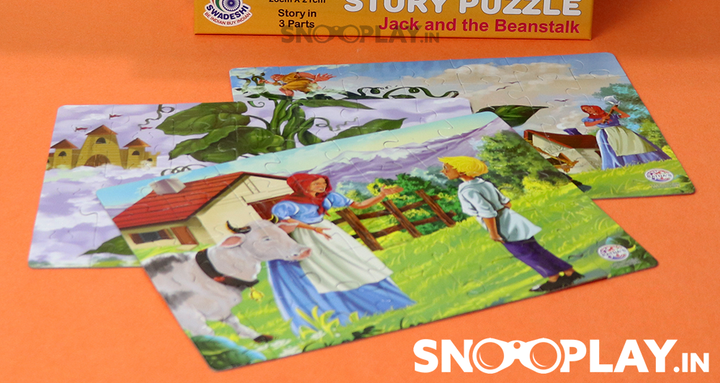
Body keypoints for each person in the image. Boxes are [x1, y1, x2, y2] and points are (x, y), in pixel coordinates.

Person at [266, 172, 414, 334]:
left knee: (353, 260)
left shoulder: (329, 197)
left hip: (328, 231)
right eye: (316, 184)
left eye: (323, 183)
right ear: (302, 185)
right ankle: (343, 305)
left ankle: (378, 292)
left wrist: (381, 195)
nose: (321, 186)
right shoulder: (288, 204)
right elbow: (288, 221)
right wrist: (313, 228)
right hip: (307, 236)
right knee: (324, 268)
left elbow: (359, 205)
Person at [439, 156, 582, 293]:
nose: (443, 171)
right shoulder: (484, 183)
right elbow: (507, 203)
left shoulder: (467, 190)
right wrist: (502, 213)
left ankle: (554, 278)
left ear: (462, 170)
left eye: (446, 168)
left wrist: (493, 233)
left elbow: (487, 212)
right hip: (514, 221)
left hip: (503, 227)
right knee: (537, 249)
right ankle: (569, 272)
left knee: (526, 254)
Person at [581, 103, 671, 169]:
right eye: (586, 110)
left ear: (593, 107)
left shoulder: (611, 115)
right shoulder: (590, 118)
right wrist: (600, 121)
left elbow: (625, 115)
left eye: (588, 108)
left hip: (620, 131)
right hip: (607, 133)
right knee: (615, 149)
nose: (588, 110)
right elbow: (587, 124)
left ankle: (649, 160)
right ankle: (621, 165)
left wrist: (616, 110)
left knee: (635, 144)